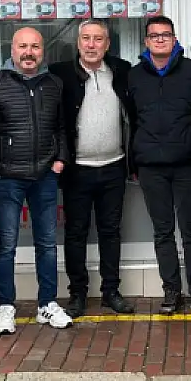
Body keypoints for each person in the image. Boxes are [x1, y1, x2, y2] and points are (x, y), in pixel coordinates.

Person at [0, 27, 72, 335]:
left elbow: (61, 127)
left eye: (35, 47)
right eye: (22, 46)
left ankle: (47, 304)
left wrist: (61, 159)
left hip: (45, 176)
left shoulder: (54, 84)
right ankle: (6, 307)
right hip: (7, 178)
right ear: (12, 50)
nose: (28, 52)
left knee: (47, 244)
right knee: (6, 246)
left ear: (43, 51)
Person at [49, 20, 137, 318]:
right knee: (76, 233)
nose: (91, 45)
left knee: (111, 231)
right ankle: (78, 294)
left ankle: (111, 291)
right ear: (78, 43)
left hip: (114, 167)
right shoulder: (60, 73)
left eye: (98, 39)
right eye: (85, 38)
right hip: (77, 169)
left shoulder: (121, 71)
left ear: (107, 44)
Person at [129, 16, 191, 316]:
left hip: (187, 165)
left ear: (175, 39)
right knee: (162, 232)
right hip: (151, 167)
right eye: (154, 35)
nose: (160, 39)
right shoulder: (134, 76)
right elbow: (131, 120)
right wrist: (134, 160)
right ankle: (171, 290)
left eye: (166, 35)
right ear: (146, 41)